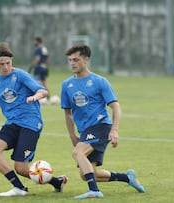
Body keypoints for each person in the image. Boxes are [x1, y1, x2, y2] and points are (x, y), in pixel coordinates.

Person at [0, 42, 67, 197]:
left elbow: (43, 91)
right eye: (2, 64)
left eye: (8, 63)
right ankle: (23, 187)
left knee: (21, 168)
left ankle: (54, 181)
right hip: (12, 124)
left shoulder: (20, 75)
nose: (6, 67)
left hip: (31, 123)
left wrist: (35, 96)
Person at [60, 45, 145, 199]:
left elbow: (116, 107)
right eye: (70, 60)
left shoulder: (99, 81)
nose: (72, 63)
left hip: (101, 126)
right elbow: (67, 113)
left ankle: (94, 191)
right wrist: (72, 134)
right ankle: (128, 178)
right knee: (87, 173)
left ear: (86, 60)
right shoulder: (66, 85)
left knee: (78, 153)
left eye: (76, 60)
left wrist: (114, 130)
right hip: (85, 131)